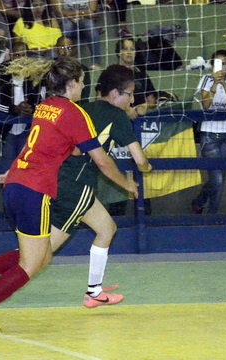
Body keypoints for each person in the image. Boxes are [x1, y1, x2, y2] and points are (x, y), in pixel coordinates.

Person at [0, 57, 137, 331]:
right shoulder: (75, 113)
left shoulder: (45, 107)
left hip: (16, 184)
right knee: (30, 265)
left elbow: (57, 145)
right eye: (82, 83)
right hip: (35, 191)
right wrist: (126, 184)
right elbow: (102, 161)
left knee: (43, 256)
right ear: (72, 83)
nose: (84, 88)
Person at [49, 64, 151, 307]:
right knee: (40, 254)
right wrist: (146, 169)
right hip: (76, 186)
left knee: (106, 229)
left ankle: (94, 292)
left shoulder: (84, 108)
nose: (133, 99)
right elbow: (139, 159)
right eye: (130, 94)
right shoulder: (117, 117)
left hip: (60, 180)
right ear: (115, 94)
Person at [98, 36, 157, 216]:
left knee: (139, 172)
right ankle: (117, 214)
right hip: (114, 133)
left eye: (132, 48)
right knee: (118, 170)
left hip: (138, 132)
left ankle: (144, 215)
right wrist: (124, 110)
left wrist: (140, 108)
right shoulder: (109, 75)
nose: (129, 52)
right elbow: (99, 98)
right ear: (118, 52)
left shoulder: (141, 74)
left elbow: (152, 101)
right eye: (125, 49)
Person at [191, 50, 226, 215]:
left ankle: (199, 202)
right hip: (209, 134)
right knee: (217, 179)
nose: (221, 67)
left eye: (224, 63)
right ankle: (213, 216)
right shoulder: (205, 80)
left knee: (218, 178)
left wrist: (224, 85)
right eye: (218, 63)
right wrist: (214, 85)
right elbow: (205, 105)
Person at [0, 42, 47, 162]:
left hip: (29, 126)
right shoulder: (0, 72)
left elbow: (43, 100)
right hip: (6, 128)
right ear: (11, 56)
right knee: (8, 163)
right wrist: (14, 109)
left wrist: (32, 108)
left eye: (23, 55)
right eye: (17, 55)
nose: (21, 59)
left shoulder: (37, 73)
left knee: (26, 162)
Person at [50, 0, 102, 70]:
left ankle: (96, 62)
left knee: (90, 26)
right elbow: (59, 12)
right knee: (67, 26)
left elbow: (92, 11)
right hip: (65, 19)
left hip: (84, 19)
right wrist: (82, 13)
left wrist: (78, 16)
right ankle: (66, 62)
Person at [54, 36, 91, 102]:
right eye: (62, 48)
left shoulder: (82, 69)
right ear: (55, 49)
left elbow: (84, 97)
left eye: (69, 48)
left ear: (74, 50)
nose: (66, 51)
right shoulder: (50, 68)